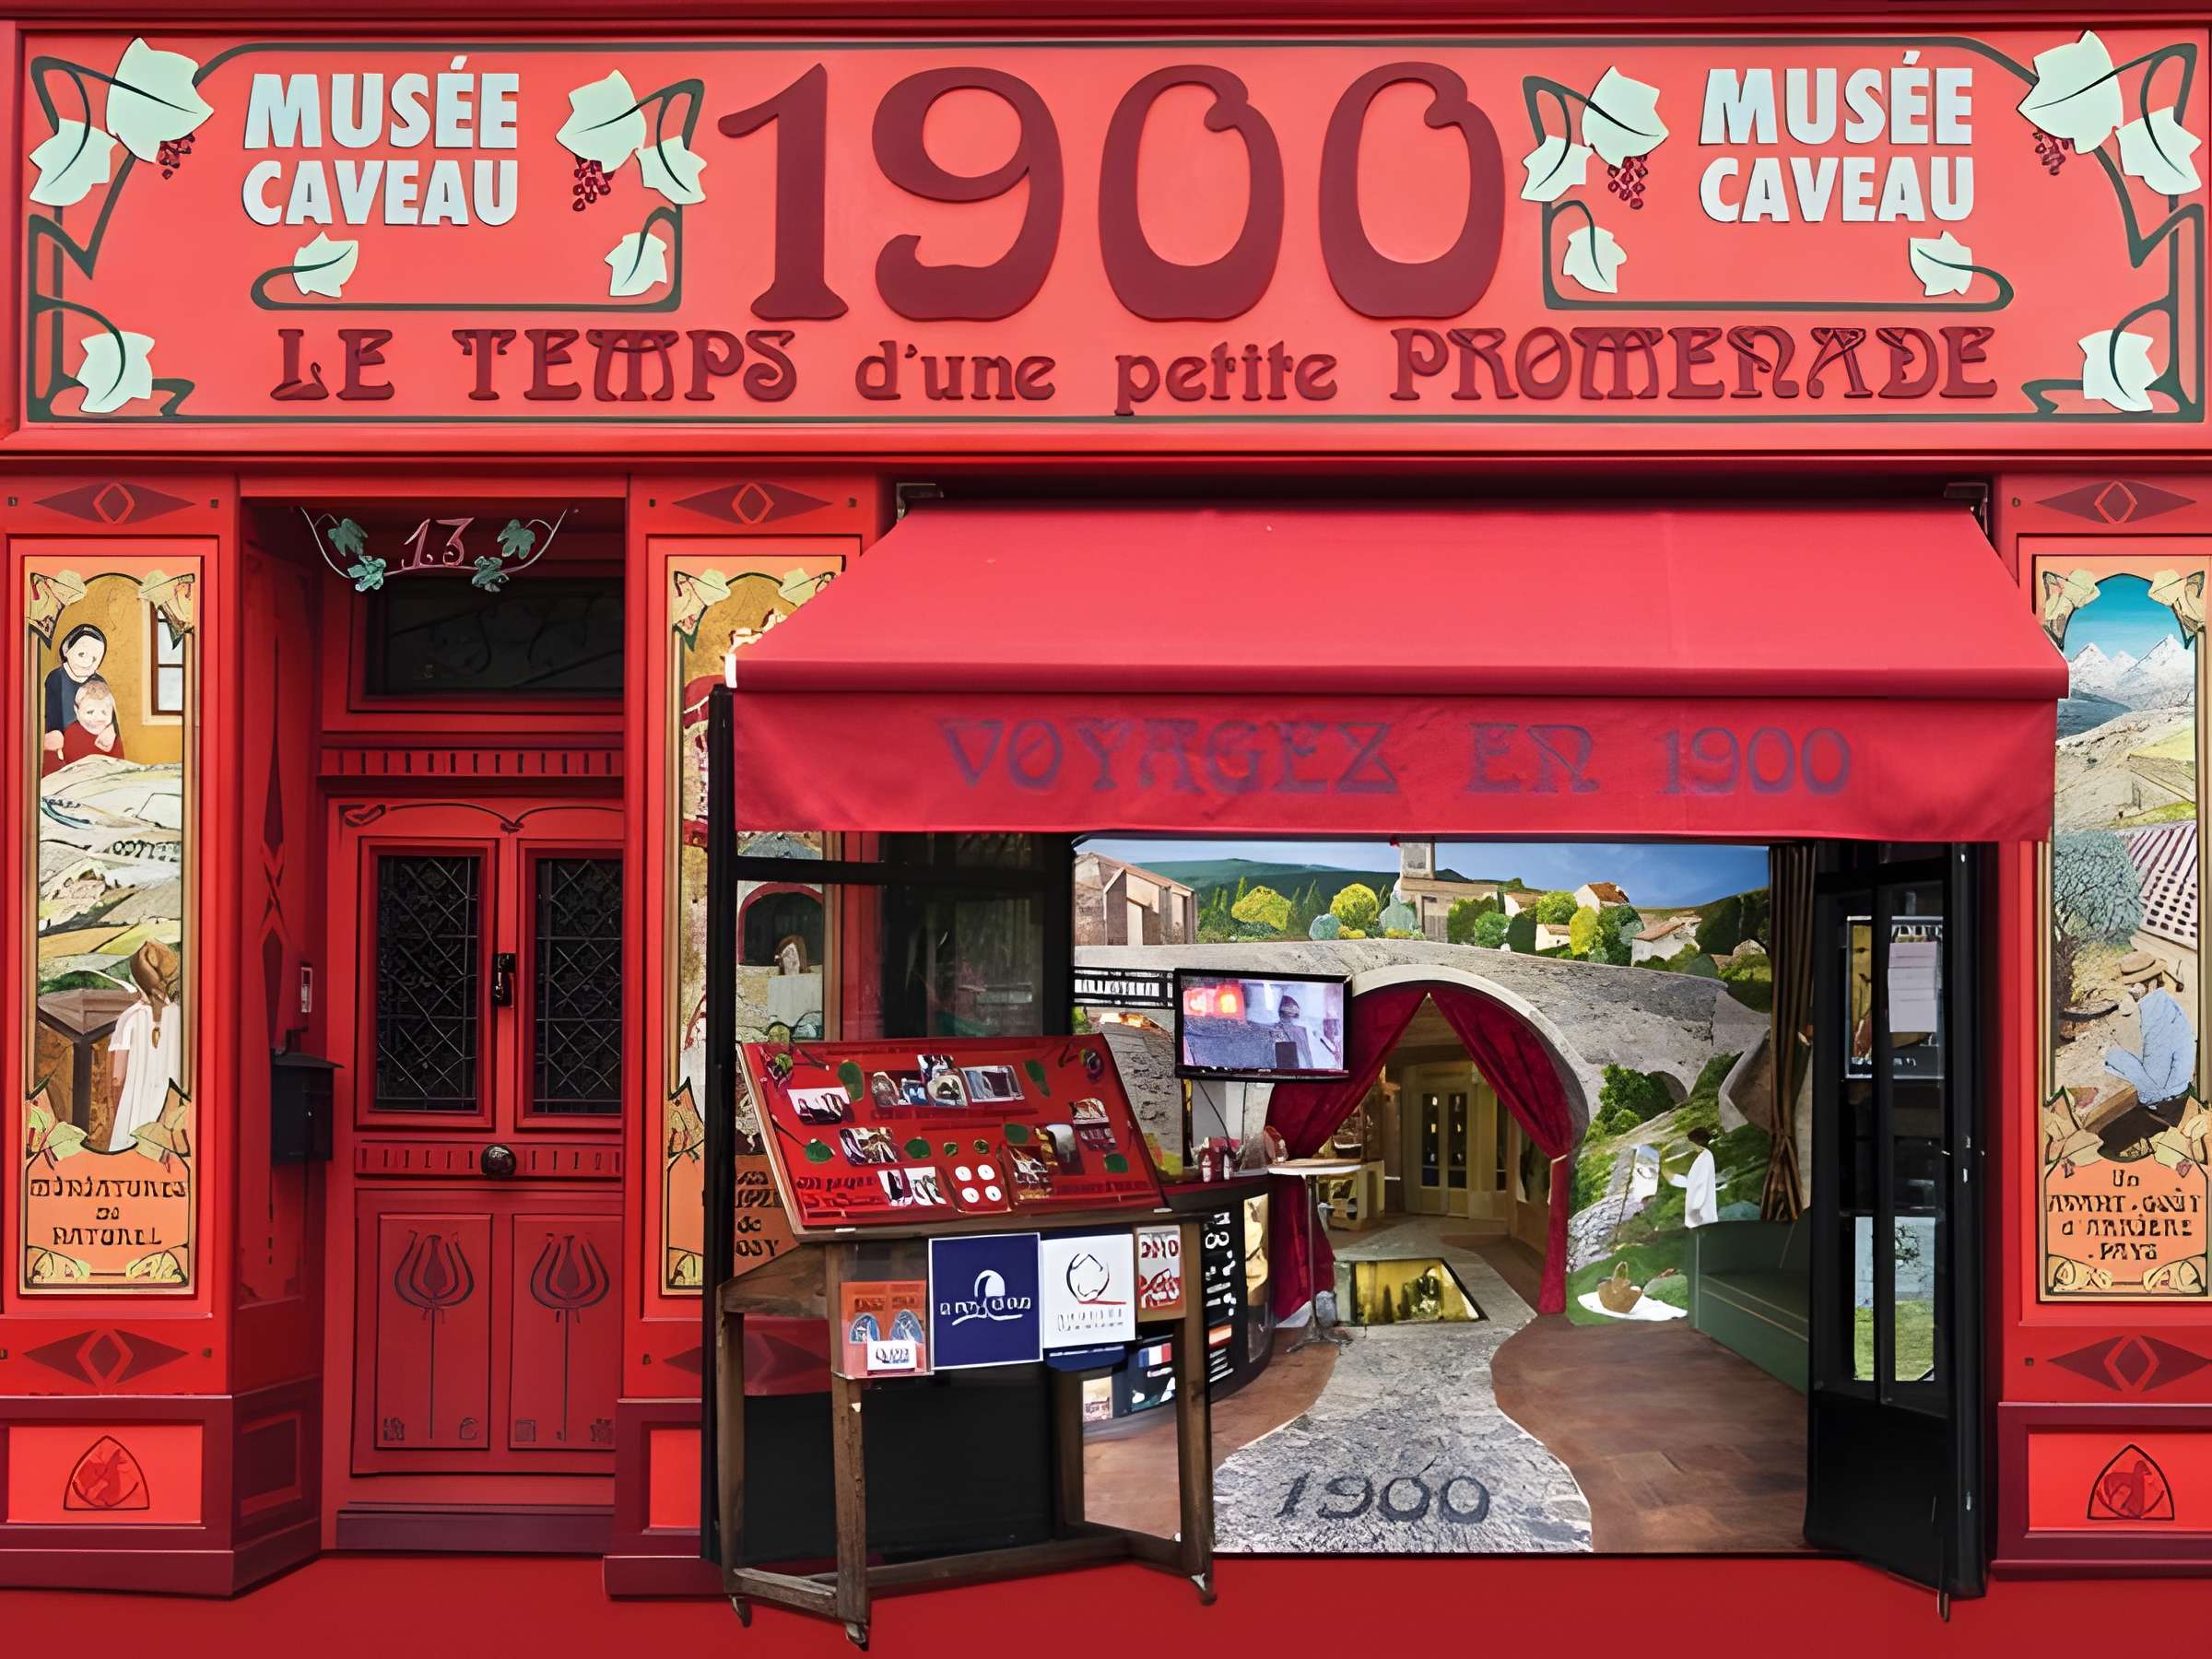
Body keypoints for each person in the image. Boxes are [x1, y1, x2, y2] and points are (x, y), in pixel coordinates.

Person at [2100, 953, 2195, 1152]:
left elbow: (2154, 1088)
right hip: (2169, 1099)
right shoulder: (2159, 1004)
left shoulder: (2158, 1015)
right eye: (2130, 985)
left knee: (2102, 1142)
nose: (2131, 991)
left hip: (2167, 1109)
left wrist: (2116, 1060)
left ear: (2151, 984)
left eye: (2136, 985)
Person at [106, 940, 181, 1152]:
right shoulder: (183, 1019)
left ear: (137, 979)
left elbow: (117, 1078)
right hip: (172, 1116)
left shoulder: (129, 1018)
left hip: (135, 1117)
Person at [42, 622, 107, 764]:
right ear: (67, 650)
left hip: (93, 744)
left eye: (95, 659)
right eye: (82, 654)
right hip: (62, 745)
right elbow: (54, 719)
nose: (87, 662)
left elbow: (107, 717)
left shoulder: (99, 682)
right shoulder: (56, 678)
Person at [46, 675, 125, 775]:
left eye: (104, 712)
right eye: (90, 712)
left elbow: (119, 769)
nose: (97, 718)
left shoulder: (111, 737)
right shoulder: (71, 732)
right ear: (77, 711)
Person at [1262, 991, 1313, 1070]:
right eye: (1288, 1010)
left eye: (1292, 1010)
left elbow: (1307, 1061)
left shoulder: (1301, 1031)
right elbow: (1286, 1067)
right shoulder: (1275, 1031)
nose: (1290, 1013)